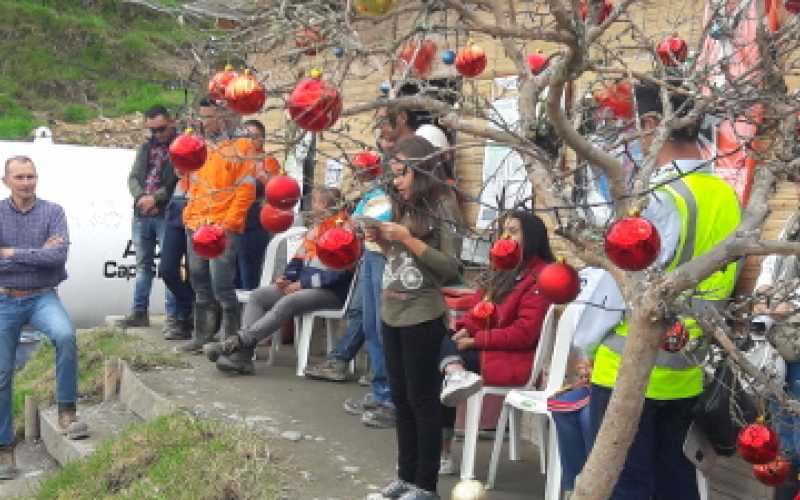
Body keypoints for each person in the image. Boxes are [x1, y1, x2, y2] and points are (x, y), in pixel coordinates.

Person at [587, 82, 742, 500]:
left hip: (628, 371)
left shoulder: (659, 197)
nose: (632, 139)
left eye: (634, 128)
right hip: (687, 371)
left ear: (653, 124)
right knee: (676, 485)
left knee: (626, 488)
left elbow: (619, 289)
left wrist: (582, 347)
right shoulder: (727, 197)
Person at [372, 136, 462, 500]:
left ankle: (426, 485)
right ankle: (405, 477)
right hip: (391, 311)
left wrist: (408, 239)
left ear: (421, 168)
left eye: (402, 173)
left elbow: (451, 269)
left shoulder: (442, 203)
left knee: (422, 400)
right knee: (400, 398)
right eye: (394, 173)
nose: (396, 181)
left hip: (422, 314)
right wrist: (380, 240)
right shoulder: (400, 203)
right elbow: (398, 259)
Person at [437, 210, 554, 475]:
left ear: (532, 237)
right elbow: (477, 309)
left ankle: (442, 451)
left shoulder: (541, 276)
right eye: (504, 230)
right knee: (434, 339)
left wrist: (476, 340)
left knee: (436, 364)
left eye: (513, 231)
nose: (506, 237)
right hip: (484, 348)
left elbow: (524, 333)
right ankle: (453, 373)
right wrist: (464, 329)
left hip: (510, 359)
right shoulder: (502, 267)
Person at [0, 156, 89, 479]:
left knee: (65, 336)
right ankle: (4, 449)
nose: (27, 182)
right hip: (5, 299)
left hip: (43, 295)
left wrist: (10, 253)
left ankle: (67, 411)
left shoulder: (53, 212)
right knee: (2, 373)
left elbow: (58, 257)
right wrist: (37, 255)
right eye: (20, 177)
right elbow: (45, 256)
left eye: (31, 176)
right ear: (6, 180)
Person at [204, 187, 354, 374]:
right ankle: (242, 357)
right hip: (302, 286)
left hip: (331, 292)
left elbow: (338, 273)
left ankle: (236, 343)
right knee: (259, 296)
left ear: (323, 204)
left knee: (288, 301)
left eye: (314, 202)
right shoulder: (317, 228)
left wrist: (302, 284)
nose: (311, 206)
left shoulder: (345, 230)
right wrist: (286, 278)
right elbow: (298, 260)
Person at [306, 152, 396, 428]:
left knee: (381, 329)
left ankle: (390, 399)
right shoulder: (366, 195)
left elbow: (376, 222)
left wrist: (357, 224)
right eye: (354, 170)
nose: (356, 175)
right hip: (368, 256)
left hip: (381, 257)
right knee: (370, 327)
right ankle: (381, 393)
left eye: (361, 170)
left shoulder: (383, 193)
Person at [178, 96, 256, 353]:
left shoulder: (242, 145)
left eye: (209, 116)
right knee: (198, 281)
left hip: (223, 226)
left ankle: (229, 340)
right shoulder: (199, 146)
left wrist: (229, 224)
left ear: (224, 116)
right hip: (196, 222)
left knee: (221, 283)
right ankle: (202, 335)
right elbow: (190, 184)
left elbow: (246, 191)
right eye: (202, 117)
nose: (205, 122)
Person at [118, 105, 180, 334]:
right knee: (143, 265)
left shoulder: (180, 147)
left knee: (169, 267)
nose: (156, 134)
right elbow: (133, 177)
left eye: (161, 129)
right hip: (142, 213)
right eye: (152, 130)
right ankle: (139, 311)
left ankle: (173, 316)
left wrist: (155, 198)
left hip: (167, 212)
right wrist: (141, 197)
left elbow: (176, 180)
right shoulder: (146, 147)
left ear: (171, 122)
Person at [752, 209, 800, 500]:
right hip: (781, 342)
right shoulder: (795, 217)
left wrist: (789, 300)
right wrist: (763, 291)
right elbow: (773, 258)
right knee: (782, 433)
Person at [234, 119, 276, 291]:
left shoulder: (268, 161)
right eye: (245, 136)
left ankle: (249, 314)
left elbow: (276, 190)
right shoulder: (233, 159)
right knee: (232, 274)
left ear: (262, 139)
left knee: (249, 273)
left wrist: (263, 177)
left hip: (254, 224)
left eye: (254, 136)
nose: (249, 140)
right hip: (232, 223)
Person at [158, 167, 195, 341]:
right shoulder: (184, 141)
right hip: (176, 207)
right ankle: (193, 305)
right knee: (167, 269)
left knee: (193, 272)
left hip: (199, 206)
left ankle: (184, 321)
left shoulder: (218, 146)